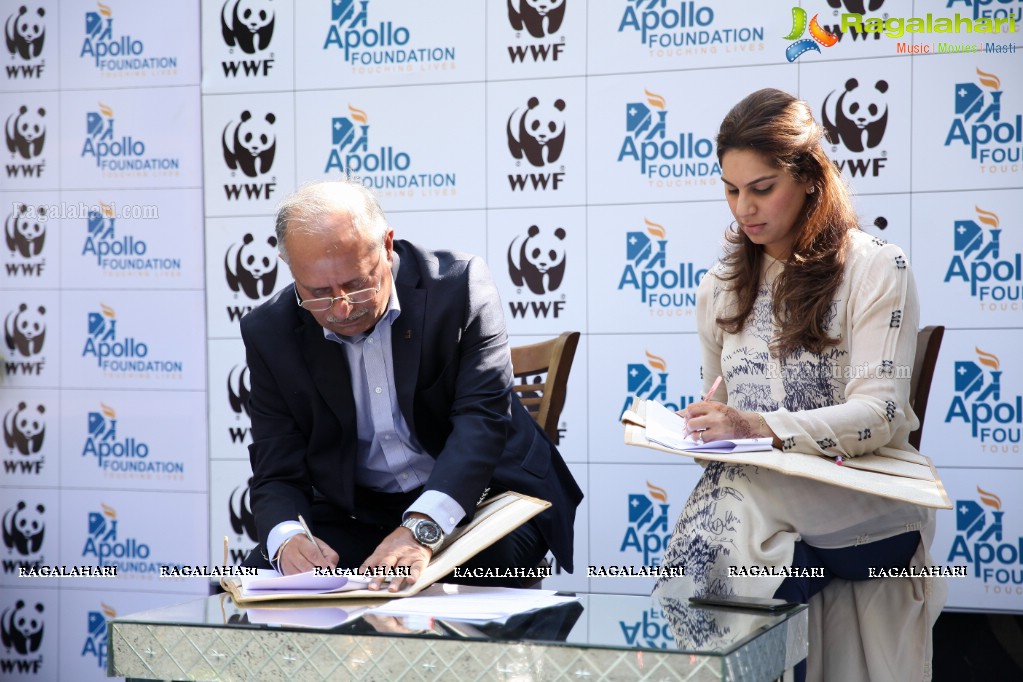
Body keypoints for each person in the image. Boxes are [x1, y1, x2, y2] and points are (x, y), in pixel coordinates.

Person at [655, 89, 946, 681]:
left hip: (865, 495)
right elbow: (725, 418)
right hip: (761, 500)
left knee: (727, 508)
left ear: (811, 176)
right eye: (731, 189)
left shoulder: (875, 266)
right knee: (729, 498)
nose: (744, 208)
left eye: (762, 188)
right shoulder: (720, 285)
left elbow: (882, 415)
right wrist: (706, 429)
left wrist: (761, 428)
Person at [240, 177, 583, 592]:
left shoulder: (459, 288)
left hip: (484, 496)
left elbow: (481, 423)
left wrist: (420, 530)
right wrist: (287, 539)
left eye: (356, 284)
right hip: (359, 512)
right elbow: (276, 465)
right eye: (318, 294)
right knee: (256, 577)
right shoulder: (270, 331)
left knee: (471, 577)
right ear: (291, 271)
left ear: (387, 245)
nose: (342, 308)